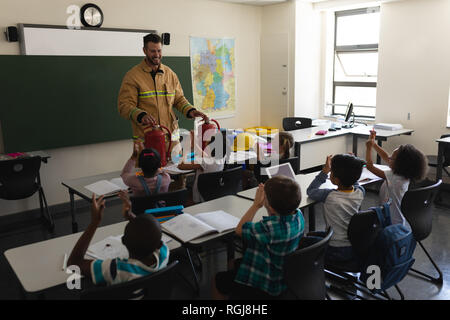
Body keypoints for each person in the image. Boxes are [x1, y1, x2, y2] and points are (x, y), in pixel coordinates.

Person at [213, 176, 305, 299]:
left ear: (271, 207)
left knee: (218, 280)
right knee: (233, 263)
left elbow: (239, 230)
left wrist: (256, 205)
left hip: (267, 283)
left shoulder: (269, 228)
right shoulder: (299, 216)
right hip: (285, 274)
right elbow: (276, 216)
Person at [117, 33, 208, 156]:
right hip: (147, 142)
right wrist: (140, 115)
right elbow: (124, 105)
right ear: (144, 51)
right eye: (152, 51)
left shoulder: (170, 74)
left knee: (178, 174)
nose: (157, 55)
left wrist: (191, 111)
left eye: (159, 50)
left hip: (173, 142)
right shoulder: (133, 76)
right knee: (151, 175)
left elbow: (179, 99)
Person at [67, 192, 169, 289]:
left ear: (123, 241)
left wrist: (95, 222)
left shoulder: (117, 269)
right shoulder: (164, 252)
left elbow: (74, 264)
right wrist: (129, 215)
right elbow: (149, 232)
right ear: (159, 244)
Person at [306, 154, 365, 267]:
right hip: (353, 246)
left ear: (336, 180)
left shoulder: (329, 196)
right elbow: (355, 183)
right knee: (312, 235)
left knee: (304, 241)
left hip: (335, 250)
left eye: (331, 172)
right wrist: (352, 164)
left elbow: (311, 190)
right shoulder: (360, 192)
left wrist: (324, 171)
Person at [366, 130, 427, 227]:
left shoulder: (394, 178)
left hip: (391, 221)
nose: (389, 158)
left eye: (392, 158)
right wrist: (374, 144)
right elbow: (386, 157)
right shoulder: (403, 175)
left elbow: (369, 166)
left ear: (400, 164)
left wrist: (368, 148)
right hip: (397, 220)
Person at [177, 131, 225, 203]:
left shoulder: (203, 162)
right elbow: (207, 156)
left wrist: (186, 148)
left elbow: (180, 166)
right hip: (213, 194)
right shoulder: (221, 159)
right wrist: (195, 145)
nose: (205, 145)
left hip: (200, 196)